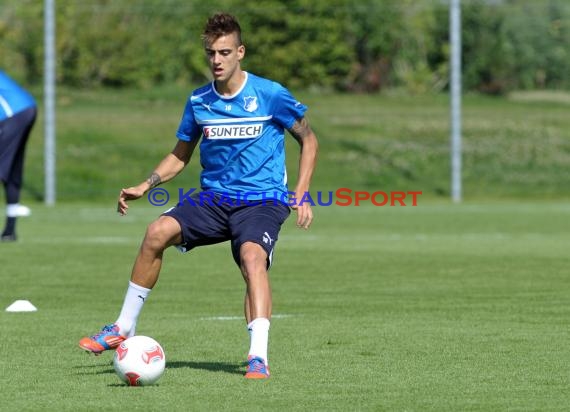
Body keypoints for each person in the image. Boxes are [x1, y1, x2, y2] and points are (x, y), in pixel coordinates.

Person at [79, 13, 318, 379]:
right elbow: (180, 154)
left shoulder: (270, 95)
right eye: (211, 53)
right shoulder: (199, 101)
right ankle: (122, 327)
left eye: (224, 52)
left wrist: (301, 194)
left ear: (240, 51)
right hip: (214, 198)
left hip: (262, 200)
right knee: (156, 232)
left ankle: (258, 357)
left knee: (252, 258)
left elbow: (309, 138)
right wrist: (147, 184)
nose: (217, 60)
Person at [0, 71, 37, 242]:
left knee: (4, 169)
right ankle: (9, 231)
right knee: (12, 171)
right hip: (26, 108)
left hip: (13, 114)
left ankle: (9, 231)